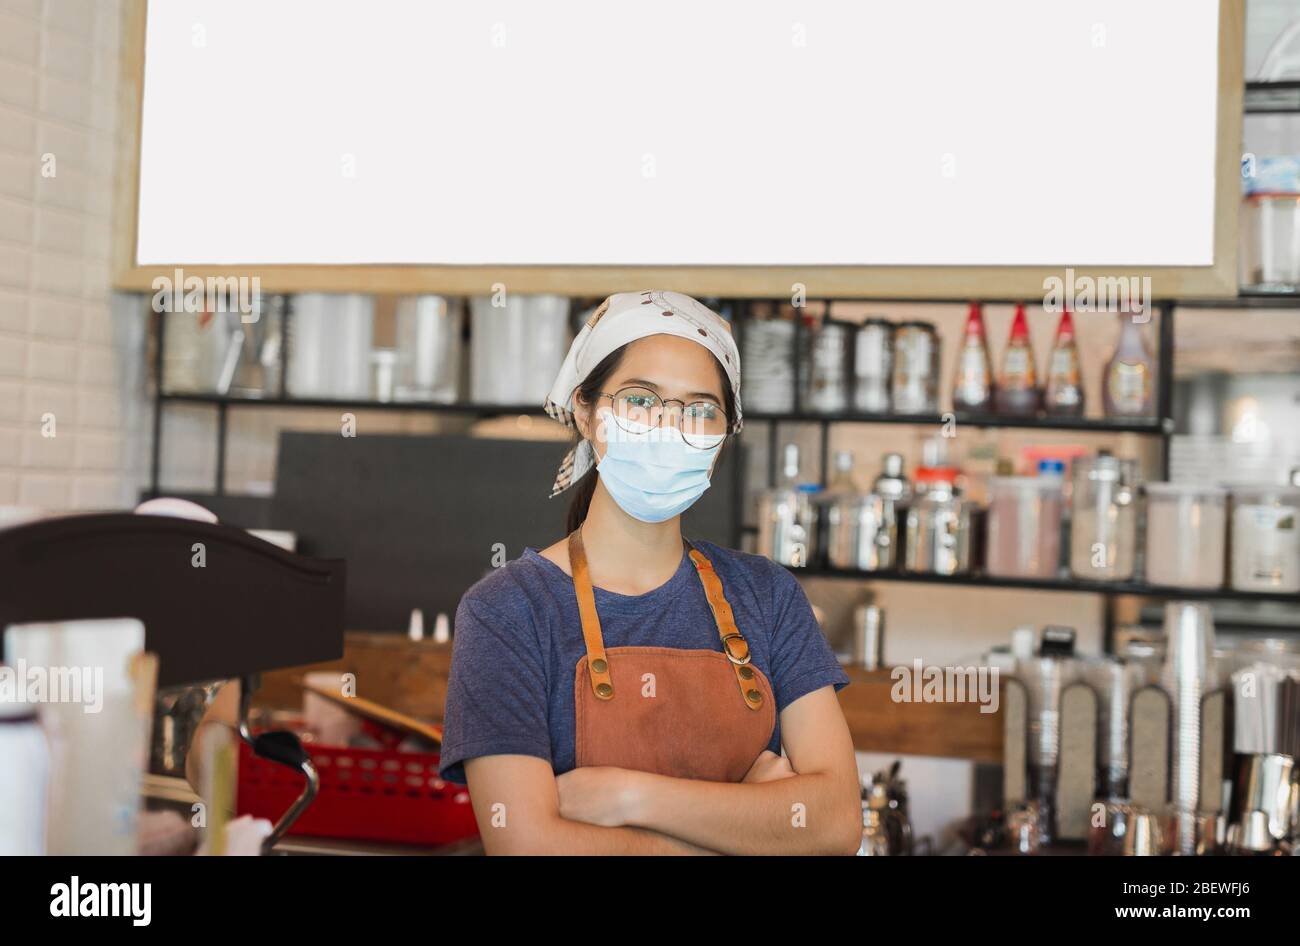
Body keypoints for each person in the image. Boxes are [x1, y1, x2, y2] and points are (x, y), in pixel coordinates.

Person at [439, 290, 861, 855]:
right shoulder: (508, 611)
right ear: (586, 411)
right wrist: (746, 831)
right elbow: (526, 846)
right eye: (641, 399)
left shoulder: (766, 595)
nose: (668, 426)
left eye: (700, 408)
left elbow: (834, 823)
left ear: (721, 439)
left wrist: (628, 797)